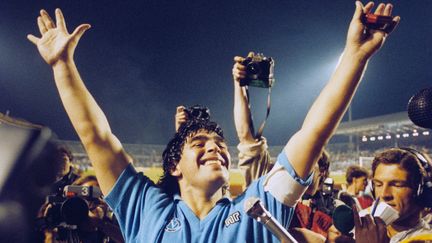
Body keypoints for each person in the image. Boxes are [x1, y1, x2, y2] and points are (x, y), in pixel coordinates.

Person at [27, 1, 399, 242]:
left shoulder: (262, 204)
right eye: (199, 144)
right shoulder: (145, 208)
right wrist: (62, 66)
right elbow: (98, 138)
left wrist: (355, 56)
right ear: (174, 165)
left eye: (220, 145)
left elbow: (314, 131)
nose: (216, 148)